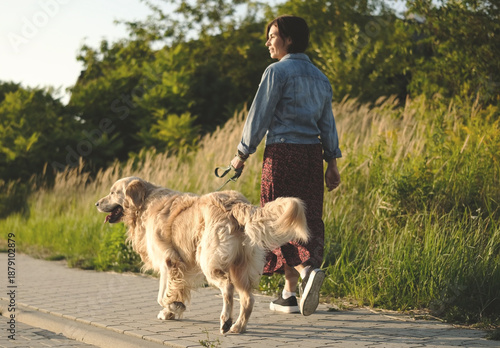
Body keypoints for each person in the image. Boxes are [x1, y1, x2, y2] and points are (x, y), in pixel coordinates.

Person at [230, 15, 342, 316]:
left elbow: (259, 116)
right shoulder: (321, 77)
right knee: (305, 218)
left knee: (276, 220)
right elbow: (327, 124)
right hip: (311, 157)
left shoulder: (276, 72)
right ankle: (289, 294)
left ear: (289, 39)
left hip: (281, 154)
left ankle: (306, 273)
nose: (268, 42)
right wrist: (332, 162)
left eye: (273, 36)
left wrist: (242, 154)